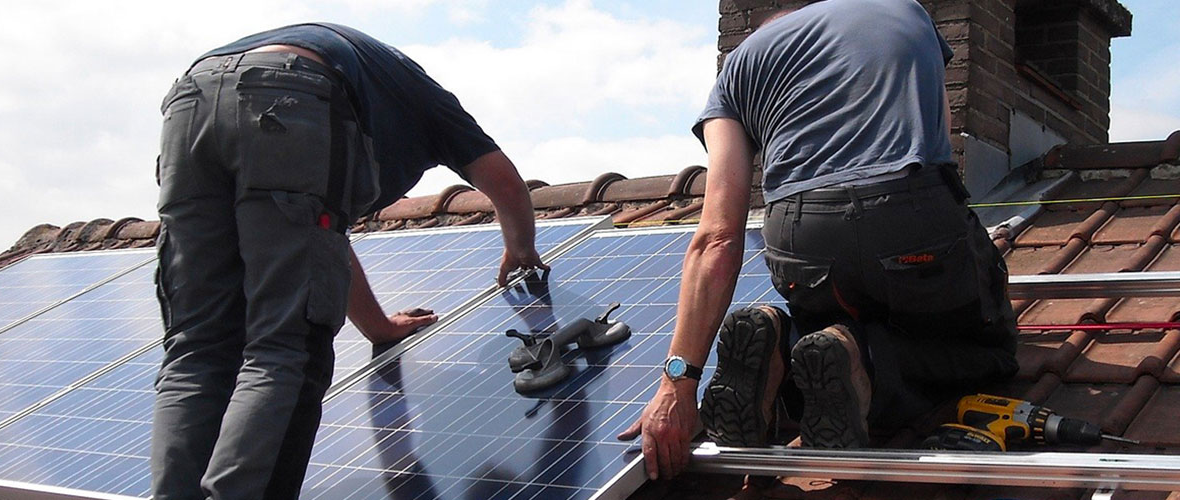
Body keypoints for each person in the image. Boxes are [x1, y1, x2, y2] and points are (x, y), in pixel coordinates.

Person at [619, 0, 1018, 483]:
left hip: (801, 237)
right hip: (910, 212)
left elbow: (718, 235)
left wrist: (678, 382)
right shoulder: (904, 9)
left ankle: (781, 347)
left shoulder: (736, 69)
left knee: (828, 320)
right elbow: (941, 137)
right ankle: (862, 359)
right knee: (989, 350)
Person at [151, 23, 547, 500]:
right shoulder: (427, 103)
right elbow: (505, 184)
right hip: (289, 96)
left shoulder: (374, 84)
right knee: (285, 346)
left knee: (196, 347)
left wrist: (378, 327)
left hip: (189, 100)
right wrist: (522, 250)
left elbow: (325, 243)